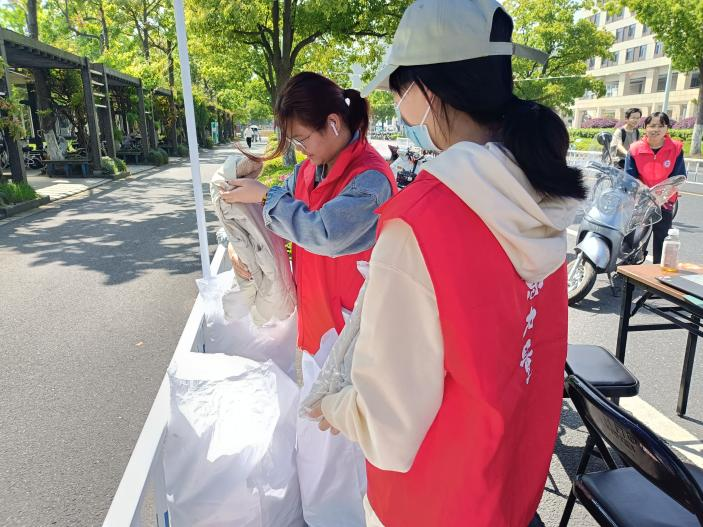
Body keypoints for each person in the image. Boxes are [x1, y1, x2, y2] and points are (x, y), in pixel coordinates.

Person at [309, 1, 587, 526]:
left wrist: (334, 406)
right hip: (512, 484)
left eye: (397, 91)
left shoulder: (421, 221)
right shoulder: (540, 191)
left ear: (422, 91)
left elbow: (388, 429)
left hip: (436, 502)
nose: (397, 106)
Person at [220, 72, 397, 525]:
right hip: (318, 325)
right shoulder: (309, 170)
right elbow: (283, 221)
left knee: (336, 452)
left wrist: (267, 198)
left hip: (349, 335)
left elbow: (323, 233)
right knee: (322, 450)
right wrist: (244, 249)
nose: (301, 150)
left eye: (303, 139)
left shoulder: (370, 179)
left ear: (333, 124)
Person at [625, 111, 686, 264]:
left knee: (662, 239)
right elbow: (629, 176)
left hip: (664, 201)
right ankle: (627, 271)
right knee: (632, 239)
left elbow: (678, 177)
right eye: (652, 125)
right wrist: (642, 192)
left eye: (661, 126)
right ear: (645, 127)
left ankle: (658, 273)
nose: (656, 129)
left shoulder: (676, 148)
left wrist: (662, 196)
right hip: (641, 201)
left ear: (667, 128)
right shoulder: (635, 149)